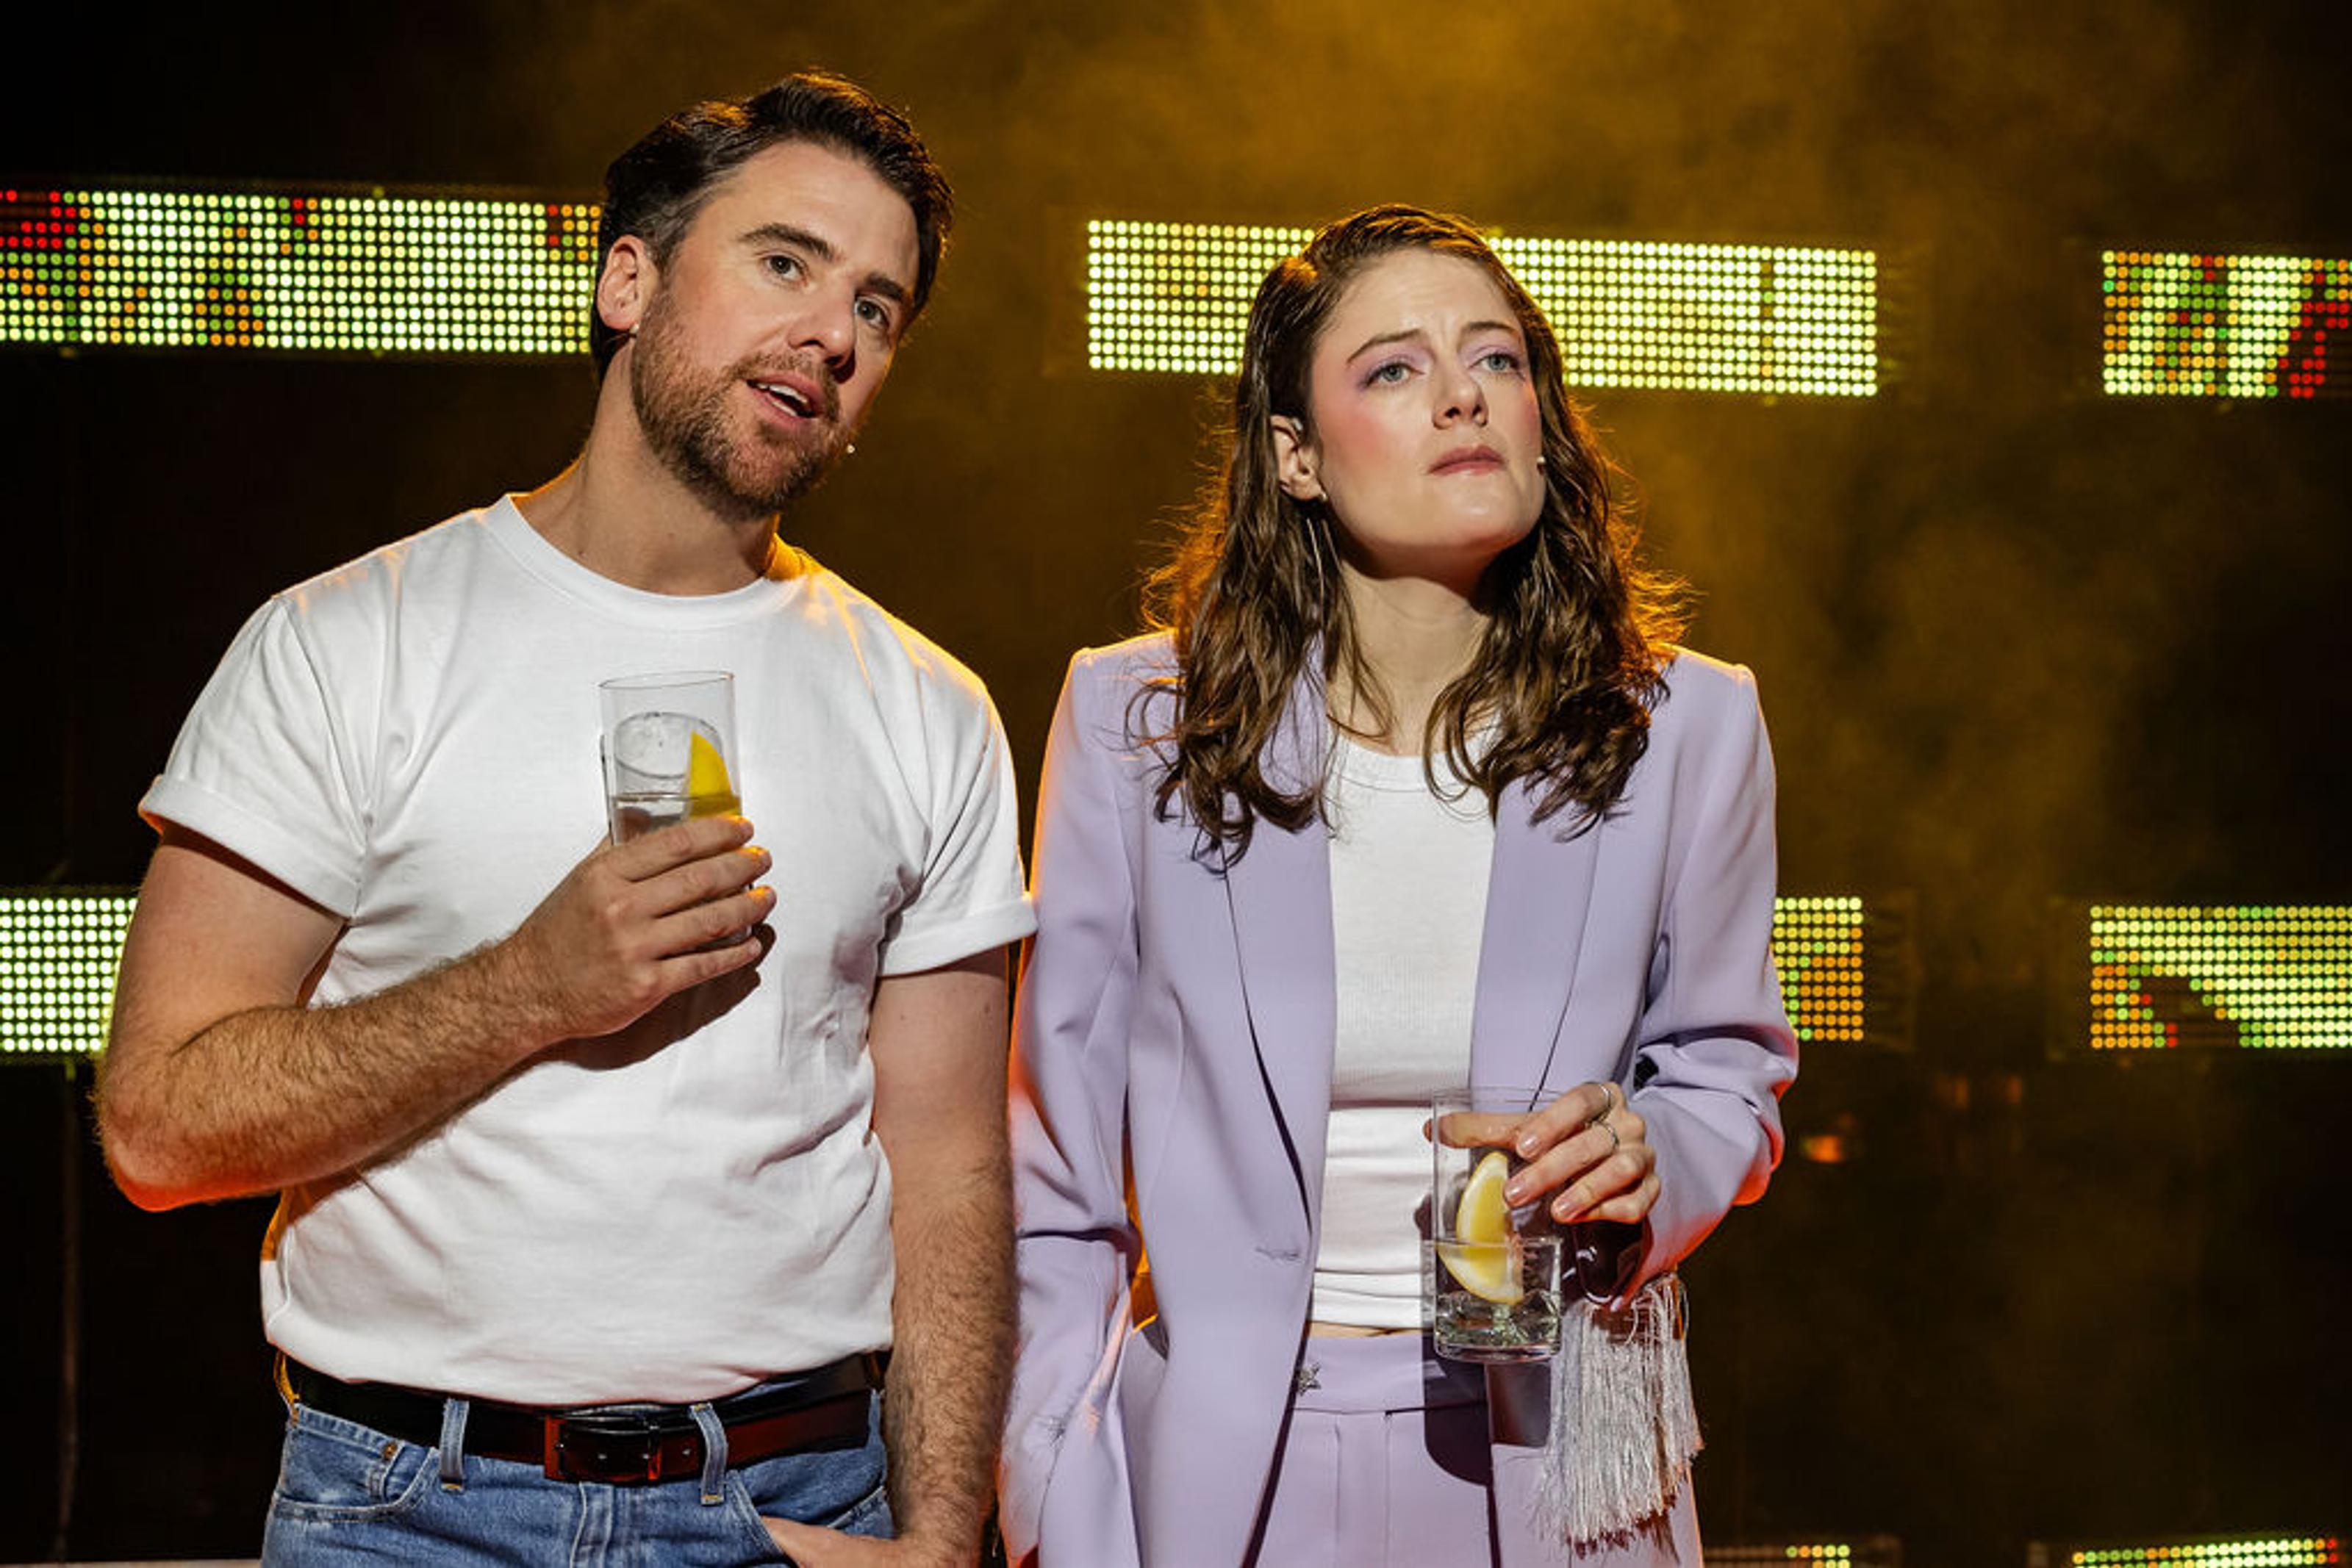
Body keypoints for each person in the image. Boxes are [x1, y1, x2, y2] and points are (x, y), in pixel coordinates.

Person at [97, 72, 1032, 1567]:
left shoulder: (927, 704)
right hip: (405, 1510)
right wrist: (528, 989)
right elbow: (158, 1124)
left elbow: (950, 1167)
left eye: (879, 306)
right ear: (629, 278)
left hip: (793, 1505)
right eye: (784, 262)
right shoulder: (353, 639)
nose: (834, 335)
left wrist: (940, 1537)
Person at [1000, 205, 1798, 1567]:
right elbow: (1055, 1181)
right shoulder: (1134, 721)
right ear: (1295, 456)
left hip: (1560, 1464)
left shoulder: (1688, 730)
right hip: (1224, 1475)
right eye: (1392, 368)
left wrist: (1651, 1164)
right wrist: (1056, 1510)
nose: (1461, 392)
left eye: (1496, 358)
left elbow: (1728, 1074)